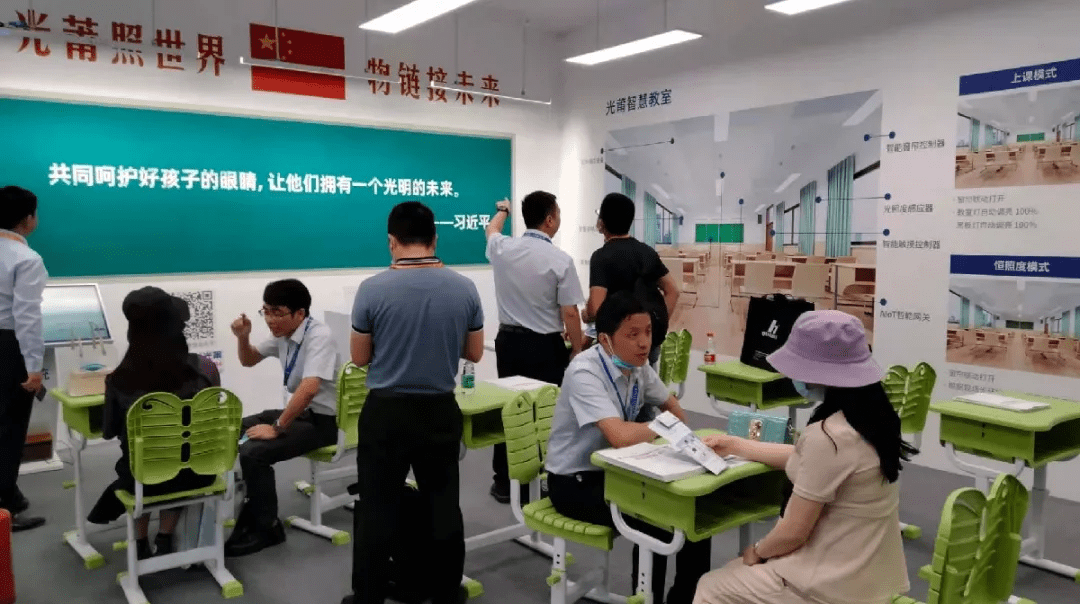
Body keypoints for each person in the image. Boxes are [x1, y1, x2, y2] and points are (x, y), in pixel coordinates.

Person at [694, 310, 915, 604]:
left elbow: (793, 533)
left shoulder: (828, 437)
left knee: (711, 586)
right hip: (870, 577)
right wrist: (735, 445)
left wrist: (757, 551)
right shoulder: (873, 420)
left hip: (829, 586)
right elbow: (807, 460)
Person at [345, 201, 484, 604]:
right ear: (434, 239)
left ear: (392, 241)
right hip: (439, 410)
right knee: (443, 504)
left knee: (376, 506)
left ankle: (368, 595)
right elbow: (474, 353)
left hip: (386, 411)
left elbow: (359, 358)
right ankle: (445, 592)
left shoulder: (371, 289)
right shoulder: (465, 287)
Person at [546, 291, 711, 604]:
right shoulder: (584, 372)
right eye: (632, 335)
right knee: (657, 522)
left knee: (694, 514)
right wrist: (663, 428)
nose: (644, 343)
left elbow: (676, 413)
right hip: (574, 481)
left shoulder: (638, 365)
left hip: (617, 470)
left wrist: (664, 426)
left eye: (647, 332)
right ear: (605, 340)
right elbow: (619, 436)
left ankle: (687, 597)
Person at [88, 287, 219, 559]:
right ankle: (165, 538)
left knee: (145, 464)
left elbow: (109, 431)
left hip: (144, 480)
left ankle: (139, 543)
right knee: (179, 456)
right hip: (199, 472)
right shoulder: (206, 369)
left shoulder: (119, 380)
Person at [225, 279, 340, 557]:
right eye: (265, 311)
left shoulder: (319, 336)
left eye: (277, 312)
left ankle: (268, 528)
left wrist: (277, 427)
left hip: (325, 422)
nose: (270, 319)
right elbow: (249, 360)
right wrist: (243, 337)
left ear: (300, 314)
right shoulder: (283, 334)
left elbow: (309, 388)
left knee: (255, 453)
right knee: (233, 428)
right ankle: (250, 506)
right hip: (302, 415)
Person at [484, 191, 585, 504]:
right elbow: (570, 313)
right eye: (558, 213)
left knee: (511, 409)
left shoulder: (502, 248)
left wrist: (503, 210)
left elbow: (491, 229)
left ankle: (504, 482)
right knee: (546, 412)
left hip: (508, 343)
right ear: (550, 219)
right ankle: (543, 479)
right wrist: (577, 350)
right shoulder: (560, 260)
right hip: (544, 346)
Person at [584, 192, 679, 366]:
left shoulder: (601, 256)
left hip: (620, 347)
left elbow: (597, 309)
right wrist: (655, 327)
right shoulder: (647, 252)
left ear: (601, 222)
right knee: (647, 381)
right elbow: (673, 290)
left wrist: (587, 314)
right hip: (648, 343)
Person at [0, 186, 47, 532]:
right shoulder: (26, 259)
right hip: (8, 347)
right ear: (27, 219)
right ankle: (6, 509)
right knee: (11, 429)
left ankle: (10, 496)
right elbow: (27, 317)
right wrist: (34, 368)